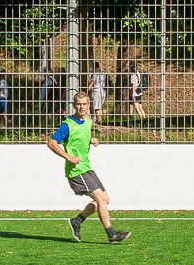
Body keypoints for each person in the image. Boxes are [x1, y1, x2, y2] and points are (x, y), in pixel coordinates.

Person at [47, 91, 131, 244]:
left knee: (105, 200)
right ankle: (112, 235)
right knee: (101, 200)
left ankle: (77, 221)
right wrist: (69, 157)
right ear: (74, 106)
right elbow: (51, 142)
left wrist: (92, 139)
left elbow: (82, 138)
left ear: (89, 105)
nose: (82, 107)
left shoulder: (88, 120)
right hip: (76, 170)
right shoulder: (68, 125)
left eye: (84, 104)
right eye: (79, 104)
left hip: (87, 167)